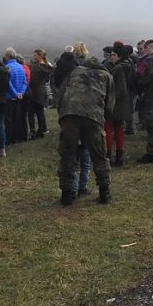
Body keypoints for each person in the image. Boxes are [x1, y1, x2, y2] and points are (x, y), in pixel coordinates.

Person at [56, 51, 114, 206]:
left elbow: (61, 94)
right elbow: (109, 104)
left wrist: (62, 115)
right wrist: (103, 118)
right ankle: (104, 193)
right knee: (99, 154)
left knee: (68, 154)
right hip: (93, 117)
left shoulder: (75, 71)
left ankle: (67, 194)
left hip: (69, 114)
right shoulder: (106, 76)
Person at [105, 43, 133, 166]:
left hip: (115, 103)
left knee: (108, 129)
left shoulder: (118, 69)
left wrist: (108, 101)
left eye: (114, 55)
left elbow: (116, 88)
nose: (112, 57)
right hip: (124, 102)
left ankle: (108, 156)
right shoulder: (130, 65)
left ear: (119, 56)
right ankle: (119, 156)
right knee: (119, 129)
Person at [4, 48, 29, 145]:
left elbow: (8, 83)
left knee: (9, 120)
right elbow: (24, 82)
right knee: (17, 118)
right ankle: (17, 137)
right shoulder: (20, 67)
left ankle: (9, 139)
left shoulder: (7, 67)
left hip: (10, 97)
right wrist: (21, 93)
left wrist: (14, 93)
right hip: (19, 97)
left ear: (7, 56)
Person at [27, 49, 52, 139]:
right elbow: (47, 79)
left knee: (30, 112)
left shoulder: (36, 67)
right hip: (43, 89)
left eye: (35, 56)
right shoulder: (47, 66)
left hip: (35, 91)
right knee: (40, 111)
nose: (34, 57)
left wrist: (29, 86)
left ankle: (33, 131)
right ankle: (42, 129)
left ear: (40, 56)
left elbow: (33, 80)